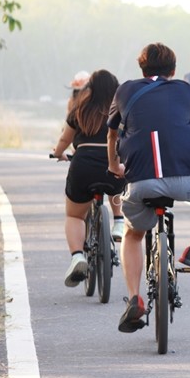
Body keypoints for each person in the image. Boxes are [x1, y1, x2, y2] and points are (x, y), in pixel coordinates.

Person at [107, 43, 190, 333]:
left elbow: (112, 134)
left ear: (141, 68)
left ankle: (135, 298)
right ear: (174, 71)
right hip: (187, 176)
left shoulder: (124, 91)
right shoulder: (186, 90)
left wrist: (113, 165)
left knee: (132, 234)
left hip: (142, 182)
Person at [51, 70, 126, 288]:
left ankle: (77, 257)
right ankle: (119, 222)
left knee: (74, 216)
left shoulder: (80, 109)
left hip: (83, 165)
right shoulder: (122, 110)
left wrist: (58, 153)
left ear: (89, 89)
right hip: (113, 165)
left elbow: (65, 139)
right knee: (117, 187)